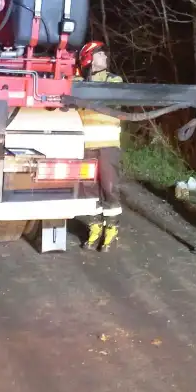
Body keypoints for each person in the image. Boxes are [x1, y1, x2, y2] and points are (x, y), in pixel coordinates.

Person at [75, 41, 124, 251]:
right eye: (100, 54)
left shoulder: (114, 80)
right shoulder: (77, 82)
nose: (105, 57)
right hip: (86, 144)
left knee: (109, 187)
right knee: (88, 188)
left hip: (108, 144)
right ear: (89, 58)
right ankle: (95, 226)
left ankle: (111, 228)